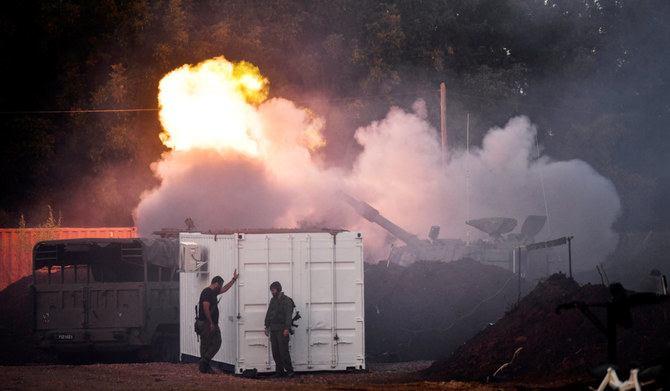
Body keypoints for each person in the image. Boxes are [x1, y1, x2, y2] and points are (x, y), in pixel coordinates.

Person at [197, 271, 238, 374]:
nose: (221, 287)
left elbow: (224, 289)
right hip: (207, 323)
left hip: (208, 323)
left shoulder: (213, 292)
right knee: (213, 343)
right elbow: (206, 308)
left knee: (210, 343)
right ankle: (205, 364)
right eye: (220, 285)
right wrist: (211, 323)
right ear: (216, 284)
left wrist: (234, 279)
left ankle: (204, 365)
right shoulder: (207, 292)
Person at [264, 281, 295, 377]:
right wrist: (266, 326)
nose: (272, 292)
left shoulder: (286, 301)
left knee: (283, 351)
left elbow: (288, 316)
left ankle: (289, 371)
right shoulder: (273, 301)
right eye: (271, 291)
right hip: (273, 329)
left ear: (278, 289)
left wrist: (287, 328)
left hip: (282, 329)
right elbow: (269, 313)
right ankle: (279, 371)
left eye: (273, 290)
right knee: (275, 352)